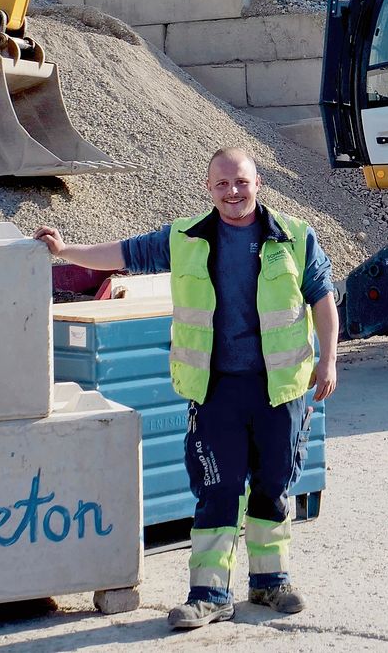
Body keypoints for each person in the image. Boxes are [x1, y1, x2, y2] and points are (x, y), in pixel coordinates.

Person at [34, 147, 337, 630]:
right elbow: (122, 253)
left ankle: (269, 581)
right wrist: (66, 250)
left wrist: (329, 359)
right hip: (216, 391)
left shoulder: (296, 236)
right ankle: (210, 594)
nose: (232, 192)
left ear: (257, 183)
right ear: (208, 188)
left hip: (280, 390)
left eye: (240, 182)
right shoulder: (186, 237)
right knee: (217, 489)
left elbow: (322, 299)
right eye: (222, 184)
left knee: (274, 484)